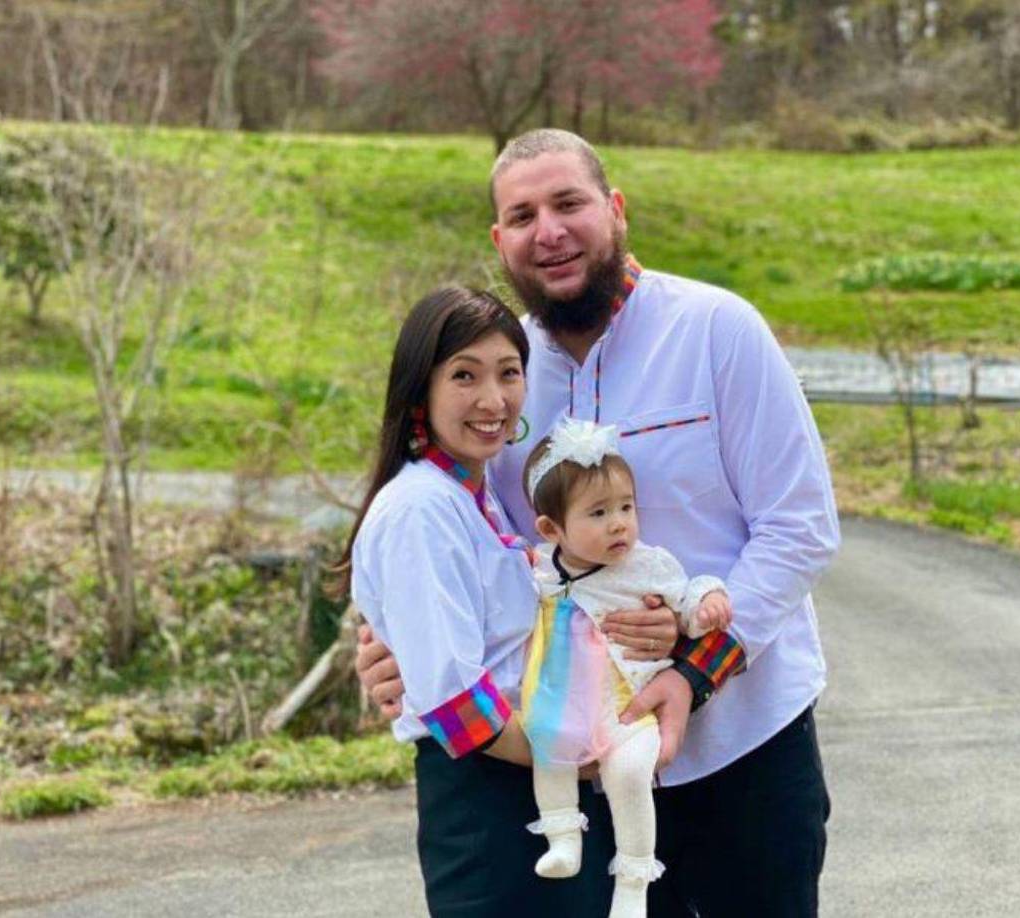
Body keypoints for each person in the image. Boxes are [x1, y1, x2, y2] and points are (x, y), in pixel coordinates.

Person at [356, 128, 840, 917]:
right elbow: (482, 552)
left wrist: (694, 669)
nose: (548, 231)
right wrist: (394, 644)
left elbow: (801, 528)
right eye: (522, 215)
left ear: (615, 211)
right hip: (581, 767)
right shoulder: (506, 376)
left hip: (743, 755)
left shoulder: (718, 331)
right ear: (500, 240)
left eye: (568, 203)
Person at [334, 286, 622, 917]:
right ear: (420, 390)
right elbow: (452, 698)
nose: (493, 400)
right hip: (489, 800)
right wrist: (574, 763)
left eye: (509, 374)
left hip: (534, 786)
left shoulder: (475, 489)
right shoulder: (420, 510)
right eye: (465, 376)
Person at [518, 418, 732, 918]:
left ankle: (634, 880)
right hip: (565, 701)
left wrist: (707, 603)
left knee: (631, 772)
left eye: (626, 508)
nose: (619, 524)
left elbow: (685, 595)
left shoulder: (646, 564)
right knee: (547, 746)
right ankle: (562, 835)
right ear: (552, 529)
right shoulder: (541, 568)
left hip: (630, 705)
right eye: (598, 513)